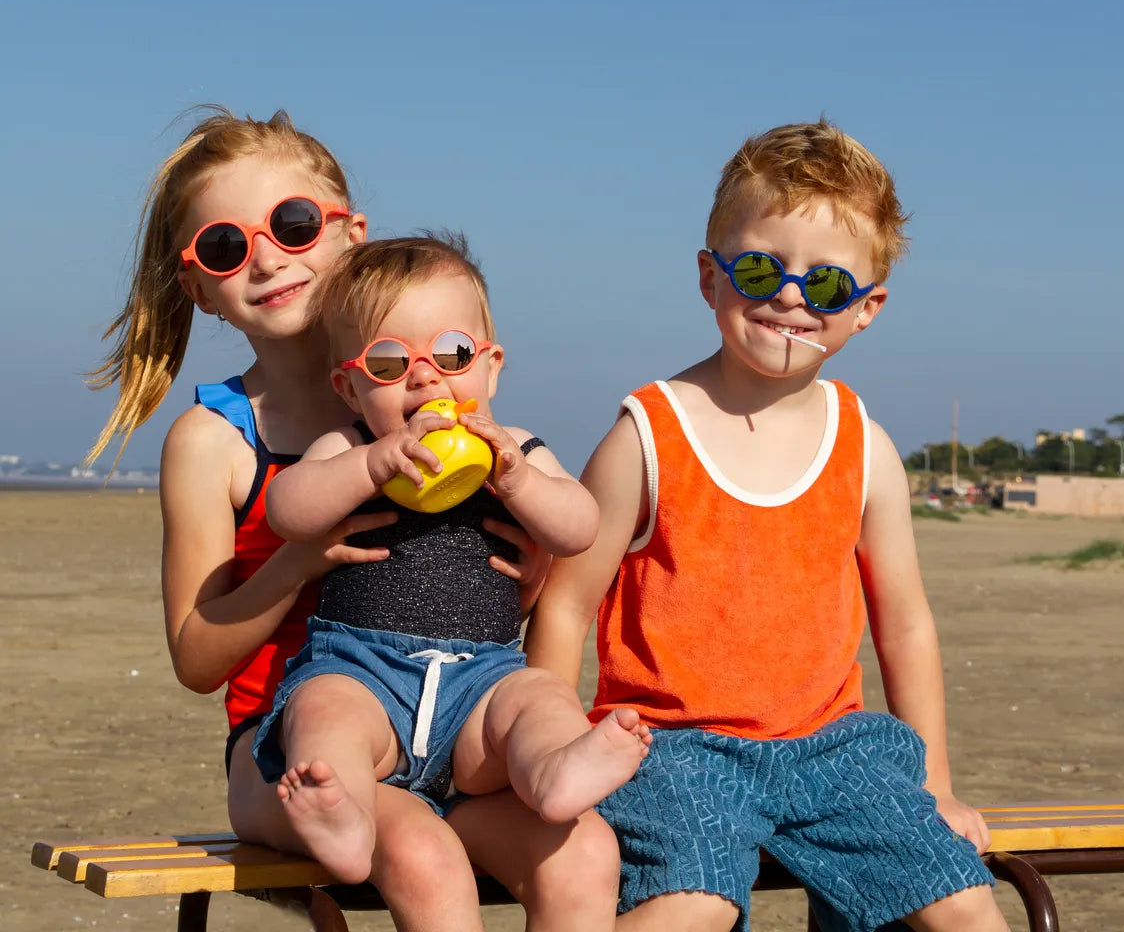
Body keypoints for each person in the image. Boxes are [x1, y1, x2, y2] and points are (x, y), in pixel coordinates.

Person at [86, 107, 625, 931]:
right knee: (422, 855)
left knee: (583, 850)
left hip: (456, 716)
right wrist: (301, 563)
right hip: (296, 748)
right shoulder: (216, 440)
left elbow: (545, 555)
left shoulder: (434, 386)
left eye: (294, 225)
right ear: (200, 288)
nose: (266, 257)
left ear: (350, 234)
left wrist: (533, 576)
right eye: (227, 248)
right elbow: (198, 657)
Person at [524, 121, 1010, 932]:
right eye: (760, 269)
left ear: (867, 310)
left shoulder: (866, 447)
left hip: (836, 748)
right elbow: (567, 606)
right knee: (694, 907)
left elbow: (906, 623)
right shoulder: (647, 433)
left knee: (965, 907)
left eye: (827, 286)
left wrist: (937, 787)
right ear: (711, 279)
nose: (791, 297)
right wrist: (545, 758)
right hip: (676, 750)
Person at [256, 235, 653, 888]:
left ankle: (554, 770)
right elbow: (288, 510)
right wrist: (373, 463)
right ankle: (345, 821)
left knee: (539, 694)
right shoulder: (350, 444)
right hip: (363, 670)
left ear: (490, 367)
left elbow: (581, 525)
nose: (425, 375)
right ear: (349, 389)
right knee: (323, 710)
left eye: (452, 353)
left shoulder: (515, 448)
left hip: (481, 684)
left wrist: (520, 481)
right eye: (388, 363)